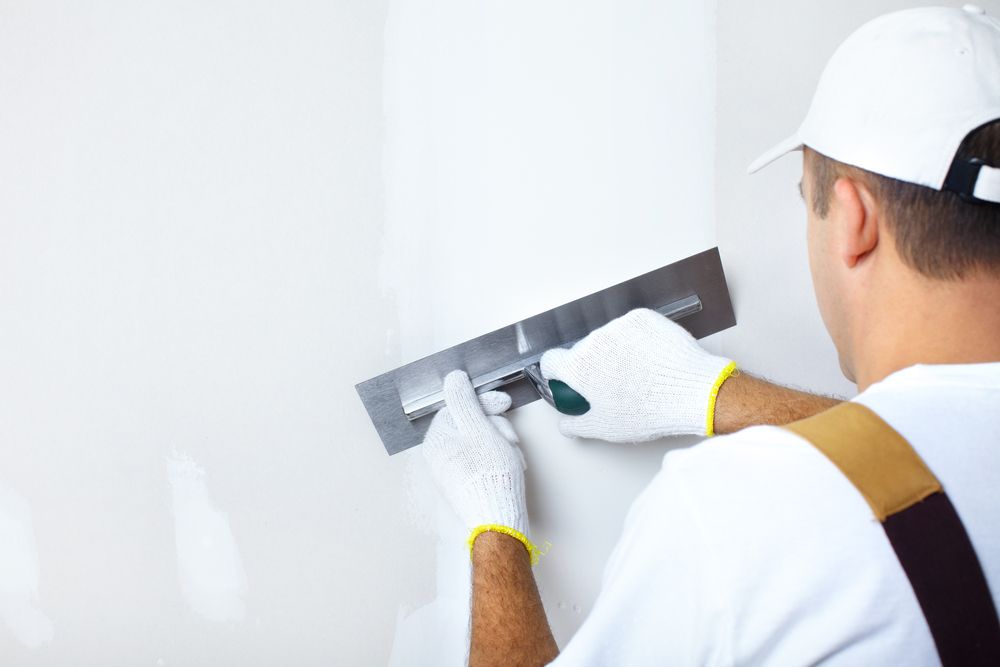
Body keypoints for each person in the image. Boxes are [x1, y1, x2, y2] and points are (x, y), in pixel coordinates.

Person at [420, 5, 1000, 665]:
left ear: (852, 218)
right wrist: (711, 393)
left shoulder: (737, 518)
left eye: (803, 194)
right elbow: (941, 456)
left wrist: (494, 526)